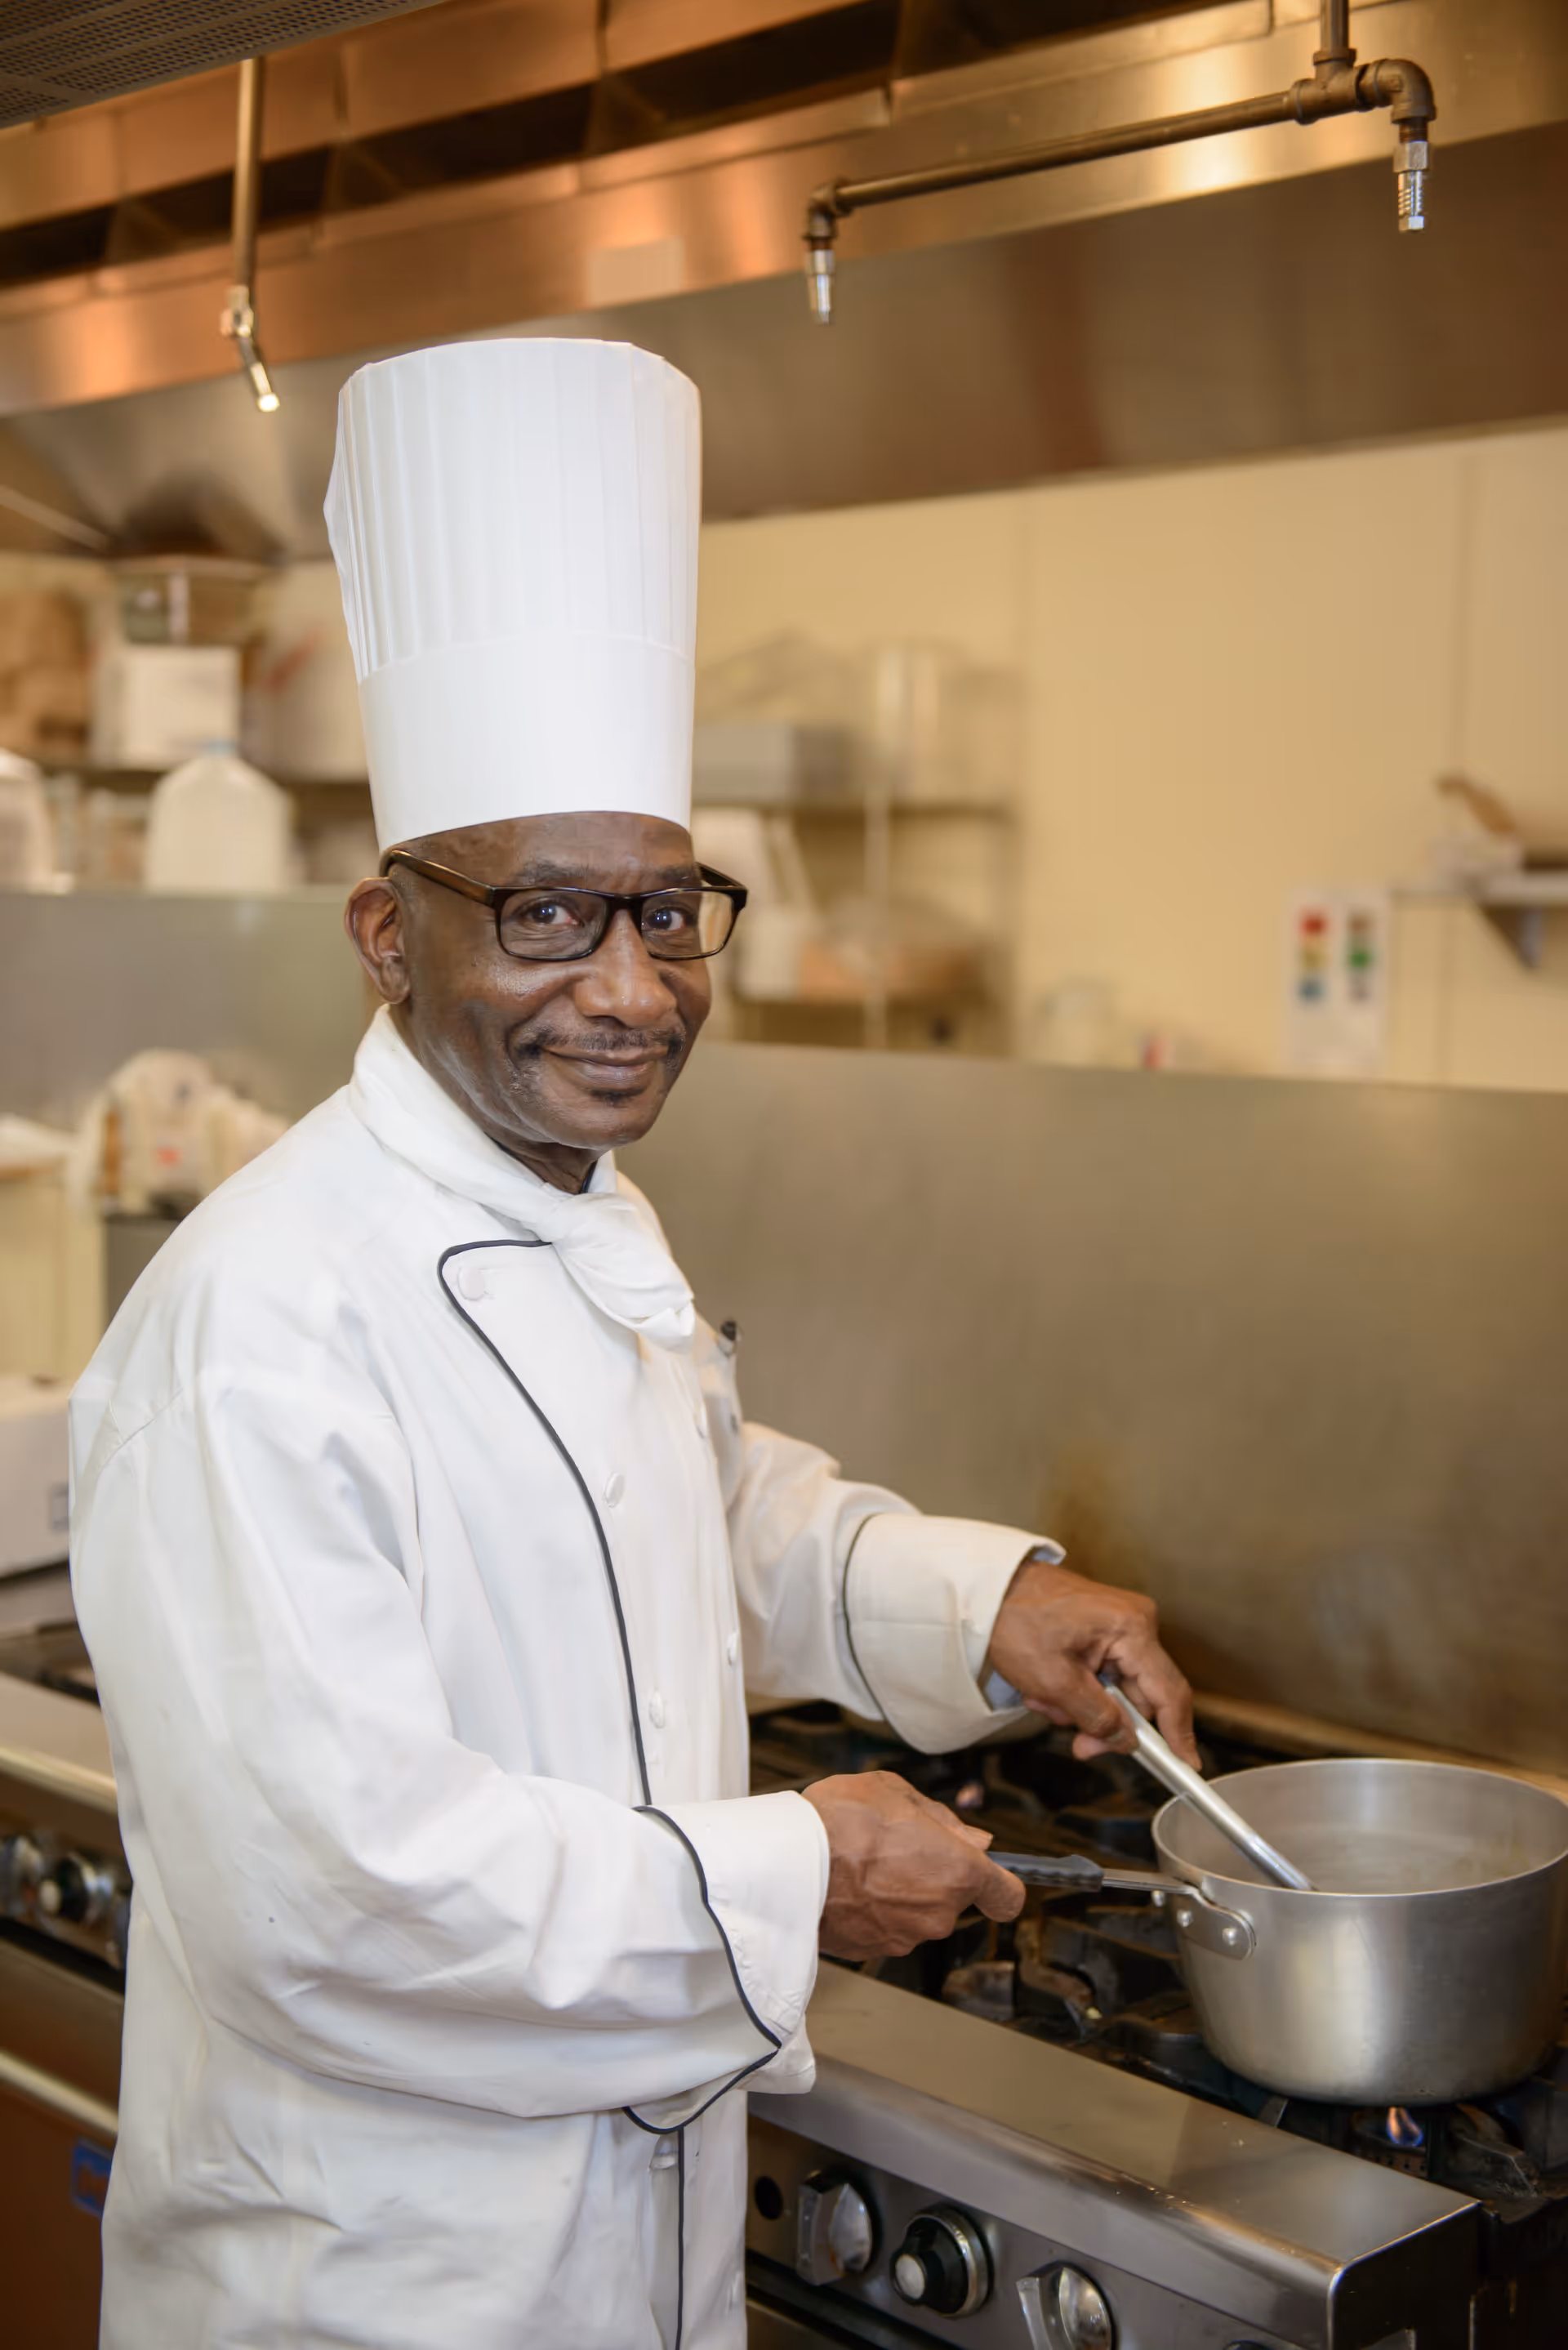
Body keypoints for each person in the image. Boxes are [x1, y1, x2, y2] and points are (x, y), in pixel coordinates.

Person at [70, 338, 1196, 2350]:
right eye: (547, 917)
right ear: (386, 930)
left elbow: (662, 1517)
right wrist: (790, 1878)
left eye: (669, 911)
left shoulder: (572, 1207)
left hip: (623, 2261)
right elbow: (341, 1898)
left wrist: (978, 1602)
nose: (633, 991)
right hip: (378, 2294)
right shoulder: (256, 1328)